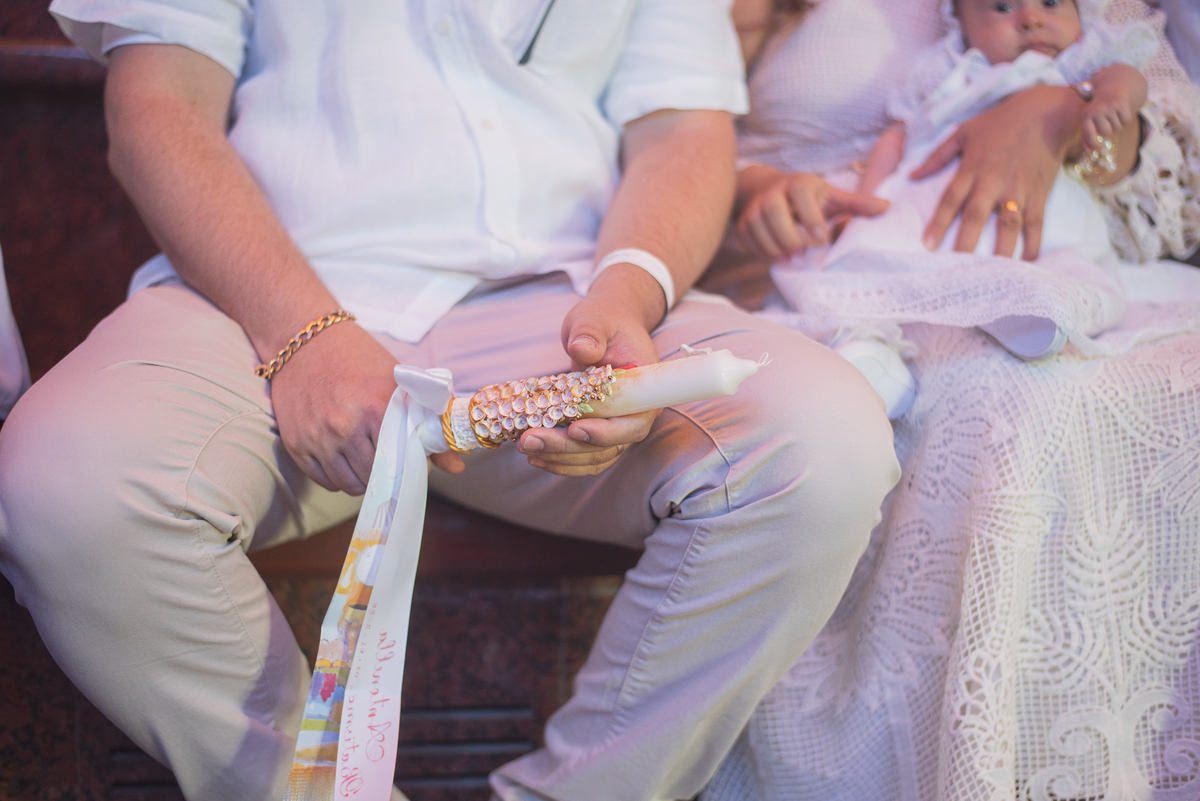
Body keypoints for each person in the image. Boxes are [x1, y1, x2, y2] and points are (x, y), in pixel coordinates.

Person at [0, 3, 903, 801]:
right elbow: (159, 108)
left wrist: (627, 299)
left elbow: (681, 133)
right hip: (263, 297)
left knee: (823, 443)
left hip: (563, 297)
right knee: (63, 479)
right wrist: (303, 332)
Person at [700, 0, 1200, 798]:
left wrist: (1058, 110)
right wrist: (753, 191)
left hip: (1067, 248)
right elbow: (652, 137)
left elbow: (1161, 162)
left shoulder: (1080, 30)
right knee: (1004, 400)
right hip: (839, 261)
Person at [740, 0, 1158, 418]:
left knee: (1074, 268)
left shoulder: (1077, 66)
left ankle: (1039, 317)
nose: (1030, 18)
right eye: (1001, 7)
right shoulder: (951, 71)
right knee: (871, 267)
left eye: (1050, 2)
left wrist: (1111, 99)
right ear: (960, 24)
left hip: (1039, 212)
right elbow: (897, 138)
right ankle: (874, 359)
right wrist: (864, 202)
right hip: (931, 209)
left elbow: (1125, 76)